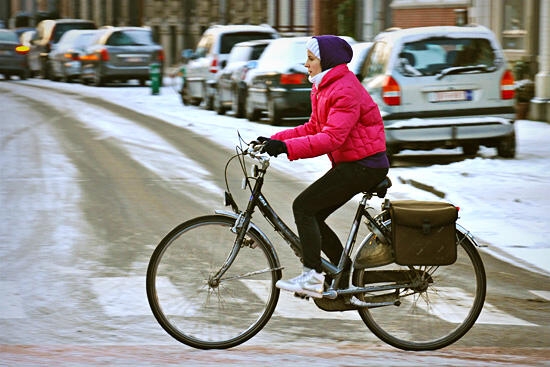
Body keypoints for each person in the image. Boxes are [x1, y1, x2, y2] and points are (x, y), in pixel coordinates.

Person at [258, 35, 389, 299]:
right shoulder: (325, 87)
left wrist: (286, 149)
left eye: (311, 59)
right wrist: (275, 140)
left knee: (304, 207)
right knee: (313, 214)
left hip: (364, 165)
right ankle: (341, 273)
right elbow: (313, 128)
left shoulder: (344, 89)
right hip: (354, 163)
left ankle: (312, 275)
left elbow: (332, 138)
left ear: (325, 61)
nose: (306, 64)